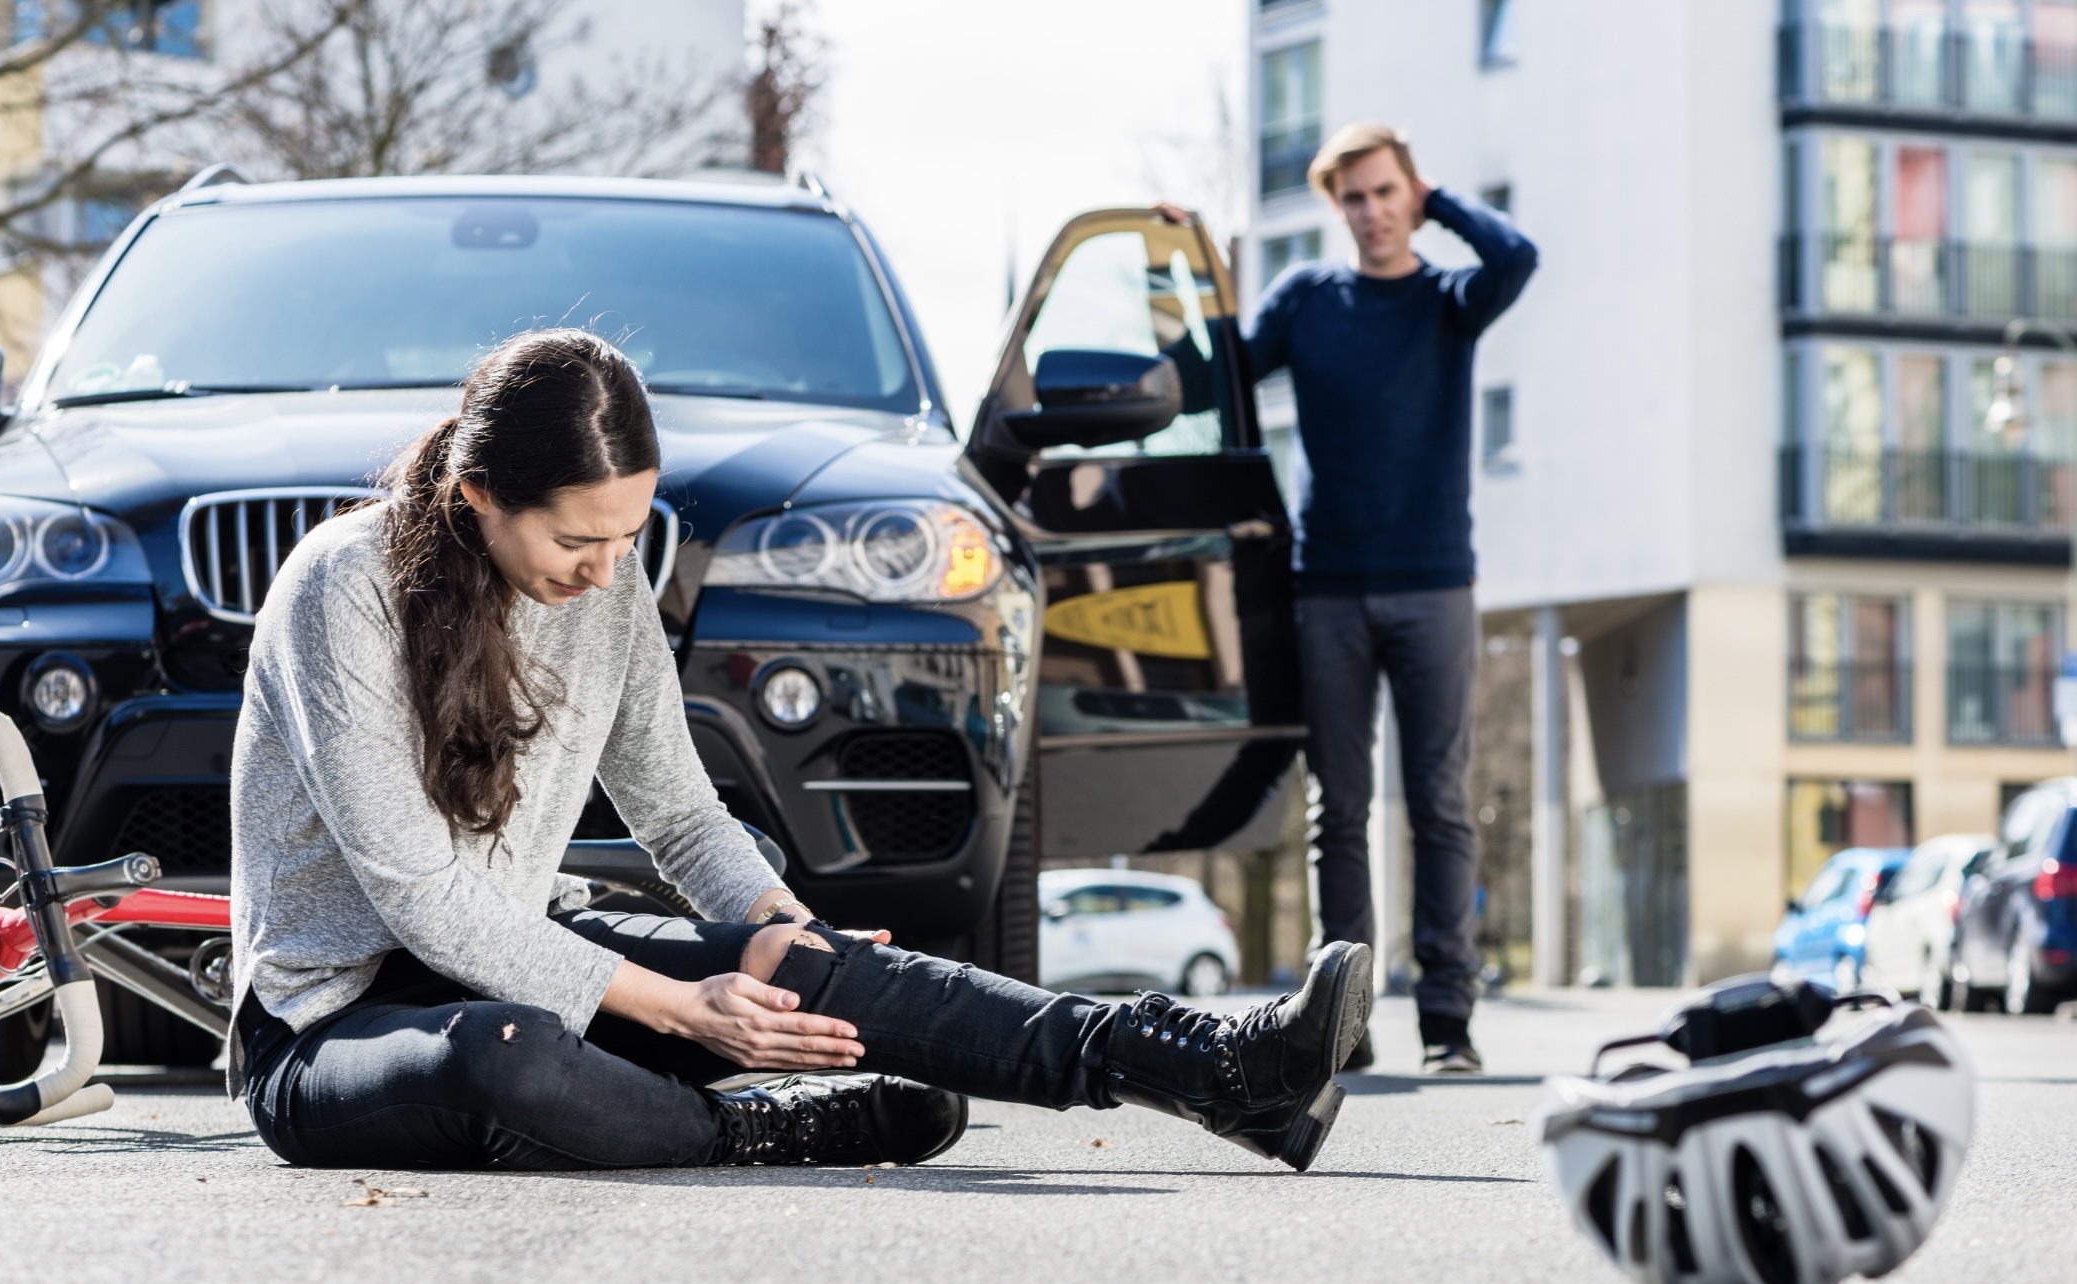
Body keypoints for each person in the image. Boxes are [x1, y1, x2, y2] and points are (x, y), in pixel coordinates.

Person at [227, 328, 1375, 1173]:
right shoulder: (345, 588)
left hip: (519, 947)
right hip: (332, 1028)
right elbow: (421, 898)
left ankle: (1211, 1068)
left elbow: (679, 816)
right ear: (478, 492)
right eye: (579, 537)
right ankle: (753, 1128)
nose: (605, 567)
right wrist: (684, 1011)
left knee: (791, 961)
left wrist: (790, 932)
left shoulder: (608, 581)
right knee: (505, 1052)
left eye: (630, 534)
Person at [1246, 123, 1537, 1074]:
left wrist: (1440, 197)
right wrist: (1183, 258)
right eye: (1354, 199)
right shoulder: (1307, 301)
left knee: (1441, 805)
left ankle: (1448, 1020)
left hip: (1433, 586)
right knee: (1339, 811)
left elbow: (1517, 254)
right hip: (1326, 586)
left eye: (1385, 192)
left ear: (1409, 193)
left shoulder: (1451, 301)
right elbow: (1224, 365)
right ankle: (1345, 1018)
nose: (1371, 213)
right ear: (1337, 211)